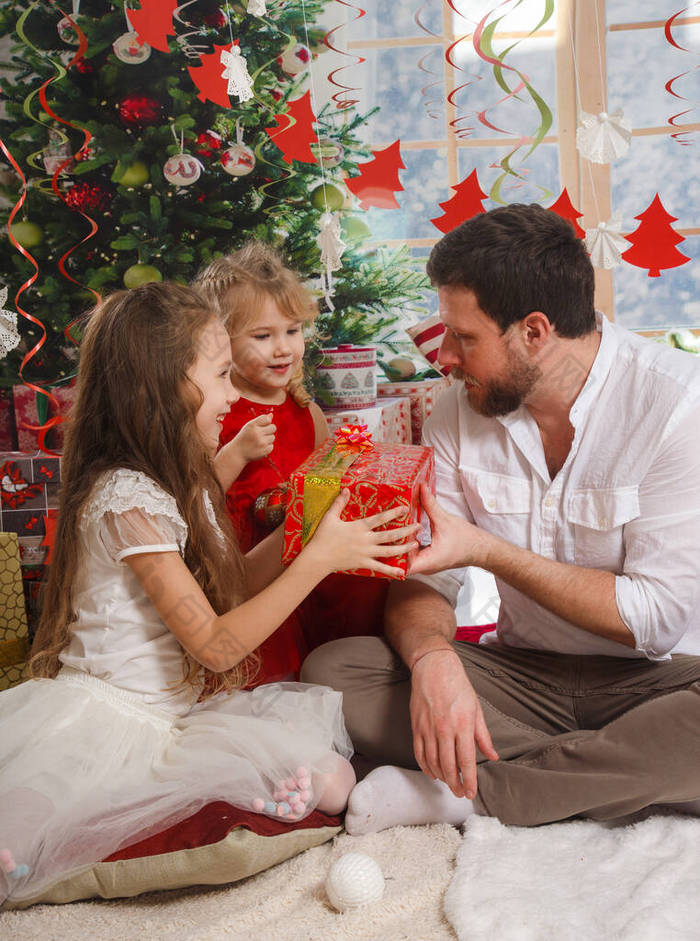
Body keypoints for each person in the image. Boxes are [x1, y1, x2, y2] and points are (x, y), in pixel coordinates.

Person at [0, 282, 418, 906]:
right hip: (111, 717)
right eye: (221, 376)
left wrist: (309, 528)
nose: (232, 395)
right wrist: (318, 562)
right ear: (166, 387)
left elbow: (229, 588)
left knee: (332, 783)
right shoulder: (126, 498)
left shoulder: (182, 482)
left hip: (178, 716)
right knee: (25, 837)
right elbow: (217, 645)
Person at [301, 203, 700, 834]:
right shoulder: (459, 412)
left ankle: (471, 793)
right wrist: (435, 660)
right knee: (336, 671)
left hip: (663, 681)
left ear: (535, 331)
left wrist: (488, 550)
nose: (447, 358)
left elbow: (653, 621)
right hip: (524, 677)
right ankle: (615, 773)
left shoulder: (678, 405)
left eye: (465, 338)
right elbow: (427, 576)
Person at [195, 242, 390, 683]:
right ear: (220, 342)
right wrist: (234, 453)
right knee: (276, 680)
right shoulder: (217, 413)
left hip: (309, 563)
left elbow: (326, 482)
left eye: (293, 331)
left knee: (361, 602)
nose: (283, 349)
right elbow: (193, 502)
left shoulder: (306, 411)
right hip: (250, 580)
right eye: (262, 337)